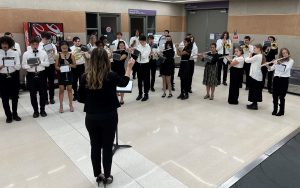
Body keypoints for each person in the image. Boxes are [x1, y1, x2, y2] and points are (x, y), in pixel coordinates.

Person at [77, 48, 135, 186]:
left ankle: (98, 174)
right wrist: (129, 67)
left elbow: (79, 98)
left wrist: (92, 100)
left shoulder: (84, 77)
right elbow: (125, 82)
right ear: (105, 60)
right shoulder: (111, 75)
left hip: (91, 117)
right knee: (107, 147)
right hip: (109, 116)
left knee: (95, 146)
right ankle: (107, 175)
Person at [22, 37, 50, 118]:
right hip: (31, 75)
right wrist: (31, 64)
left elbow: (47, 64)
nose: (35, 46)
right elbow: (23, 66)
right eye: (33, 44)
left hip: (41, 74)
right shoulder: (26, 54)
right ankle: (35, 111)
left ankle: (42, 110)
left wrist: (40, 62)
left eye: (36, 44)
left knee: (43, 93)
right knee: (32, 94)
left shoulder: (43, 53)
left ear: (38, 44)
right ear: (30, 44)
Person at [0, 36, 21, 123]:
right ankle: (8, 116)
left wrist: (12, 63)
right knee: (4, 98)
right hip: (2, 77)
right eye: (3, 43)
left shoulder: (14, 53)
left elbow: (19, 66)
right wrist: (2, 66)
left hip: (13, 76)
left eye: (6, 43)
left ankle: (15, 114)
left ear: (9, 44)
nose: (4, 45)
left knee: (15, 97)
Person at [267, 48, 294, 116]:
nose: (284, 54)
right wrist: (267, 65)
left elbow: (285, 69)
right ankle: (275, 109)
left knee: (282, 96)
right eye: (283, 53)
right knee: (274, 96)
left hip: (284, 80)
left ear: (288, 53)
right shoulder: (278, 60)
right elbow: (271, 69)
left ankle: (281, 111)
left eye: (286, 53)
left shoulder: (291, 61)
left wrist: (277, 63)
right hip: (276, 79)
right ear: (281, 54)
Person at [36, 32, 58, 105]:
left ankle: (51, 97)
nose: (47, 41)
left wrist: (53, 53)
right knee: (43, 83)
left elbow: (55, 57)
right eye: (45, 39)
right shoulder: (38, 46)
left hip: (51, 65)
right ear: (42, 38)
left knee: (51, 82)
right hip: (43, 66)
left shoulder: (52, 45)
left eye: (48, 39)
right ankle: (45, 99)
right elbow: (37, 56)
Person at [55, 41, 76, 113]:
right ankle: (61, 106)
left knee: (69, 89)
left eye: (66, 48)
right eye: (63, 48)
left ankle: (71, 105)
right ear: (60, 48)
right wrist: (61, 68)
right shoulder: (58, 55)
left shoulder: (71, 55)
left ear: (68, 47)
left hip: (69, 74)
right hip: (61, 74)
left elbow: (75, 65)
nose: (64, 50)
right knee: (61, 90)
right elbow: (56, 66)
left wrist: (69, 65)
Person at [245, 44, 265, 110]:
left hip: (255, 76)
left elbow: (247, 61)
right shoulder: (260, 56)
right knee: (254, 90)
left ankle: (255, 105)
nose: (253, 50)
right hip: (255, 75)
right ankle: (253, 103)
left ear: (259, 49)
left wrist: (249, 55)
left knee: (255, 90)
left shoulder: (258, 56)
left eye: (255, 48)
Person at [70, 36, 89, 101]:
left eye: (79, 41)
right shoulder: (71, 48)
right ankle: (75, 94)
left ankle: (82, 94)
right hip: (74, 67)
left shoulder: (83, 47)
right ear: (73, 42)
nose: (78, 42)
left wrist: (84, 53)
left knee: (82, 81)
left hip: (81, 66)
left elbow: (87, 57)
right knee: (74, 81)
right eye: (76, 41)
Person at [135, 35, 151, 102]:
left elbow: (144, 56)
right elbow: (136, 55)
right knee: (139, 80)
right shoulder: (138, 46)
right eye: (140, 41)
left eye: (142, 41)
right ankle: (140, 94)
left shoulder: (148, 47)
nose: (141, 43)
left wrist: (138, 52)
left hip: (145, 65)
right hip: (139, 65)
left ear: (145, 41)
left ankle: (146, 94)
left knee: (146, 80)